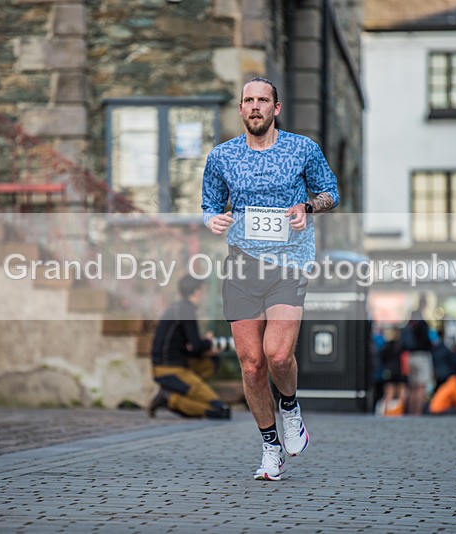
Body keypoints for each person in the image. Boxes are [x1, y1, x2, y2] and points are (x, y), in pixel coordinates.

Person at [202, 76, 340, 481]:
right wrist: (213, 218)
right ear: (241, 109)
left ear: (276, 108)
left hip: (289, 263)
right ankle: (270, 446)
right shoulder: (222, 156)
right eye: (249, 100)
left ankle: (291, 407)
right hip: (242, 264)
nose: (256, 106)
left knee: (278, 355)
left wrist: (308, 209)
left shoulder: (302, 149)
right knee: (251, 365)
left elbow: (331, 191)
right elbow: (210, 203)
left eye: (264, 100)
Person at [147, 274, 231, 420]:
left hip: (174, 365)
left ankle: (177, 394)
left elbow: (188, 347)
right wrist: (209, 343)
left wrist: (205, 346)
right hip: (170, 370)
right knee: (220, 410)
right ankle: (170, 399)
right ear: (197, 291)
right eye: (201, 291)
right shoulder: (186, 309)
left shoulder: (179, 308)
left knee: (212, 362)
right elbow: (197, 346)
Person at [400, 294, 434, 415]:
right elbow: (426, 340)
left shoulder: (410, 321)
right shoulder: (422, 322)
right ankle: (418, 413)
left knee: (413, 387)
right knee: (421, 387)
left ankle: (411, 412)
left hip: (410, 357)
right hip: (421, 356)